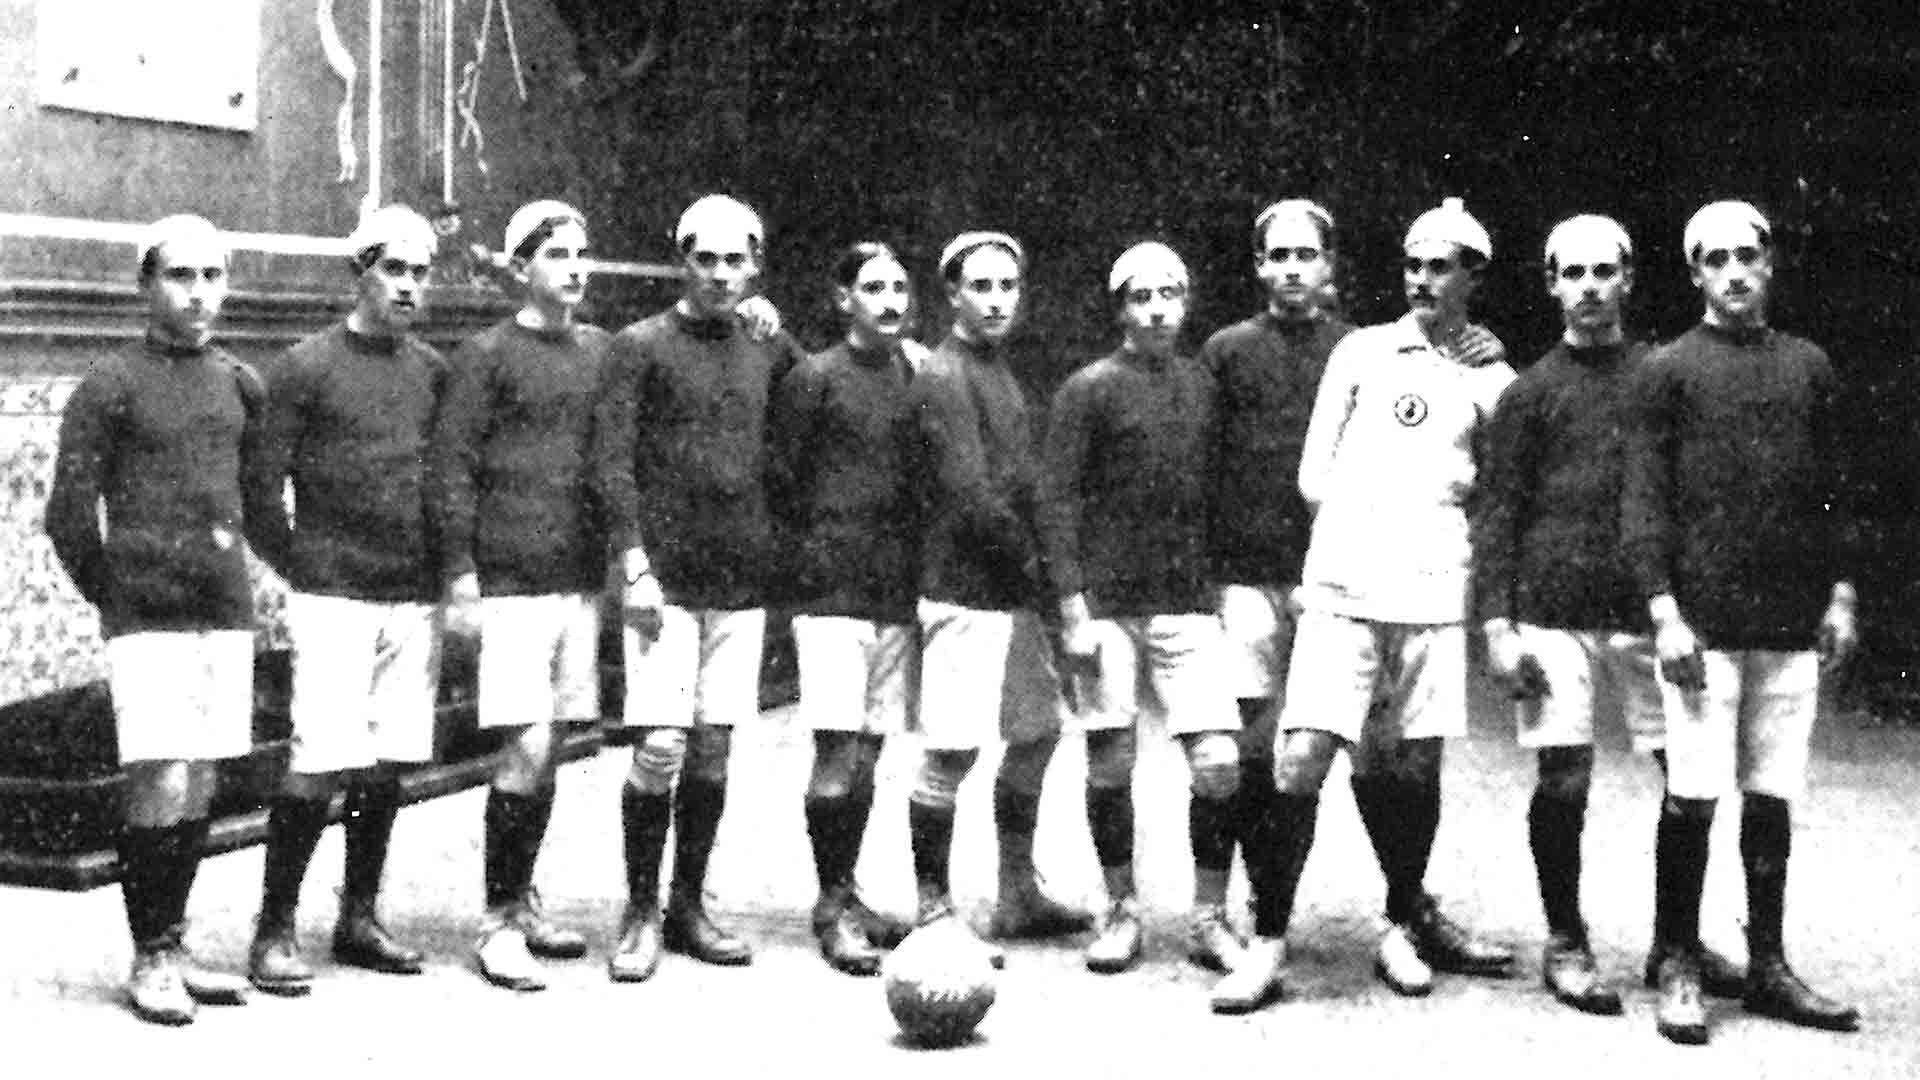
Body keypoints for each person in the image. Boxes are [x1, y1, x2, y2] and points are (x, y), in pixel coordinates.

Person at [1215, 198, 1518, 1012]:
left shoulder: (1494, 378)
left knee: (1409, 764)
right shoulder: (1362, 349)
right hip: (1345, 588)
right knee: (1299, 755)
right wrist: (1366, 531)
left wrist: (1434, 540)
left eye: (1441, 267)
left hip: (1432, 597)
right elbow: (1315, 475)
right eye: (1413, 265)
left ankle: (1400, 925)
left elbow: (1502, 495)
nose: (1422, 279)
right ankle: (1269, 944)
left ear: (1473, 277)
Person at [1623, 199, 1860, 1044]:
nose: (1732, 272)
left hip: (1788, 622)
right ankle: (1679, 960)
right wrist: (1664, 611)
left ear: (1769, 264)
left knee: (1771, 797)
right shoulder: (1667, 370)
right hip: (1702, 629)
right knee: (1692, 796)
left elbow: (1835, 491)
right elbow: (1644, 500)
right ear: (1694, 272)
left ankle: (1767, 967)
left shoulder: (1809, 366)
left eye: (1746, 256)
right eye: (1713, 258)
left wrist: (1839, 592)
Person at [45, 214, 261, 1025]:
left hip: (223, 611)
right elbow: (69, 518)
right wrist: (119, 600)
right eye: (180, 276)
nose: (198, 293)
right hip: (147, 619)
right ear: (146, 285)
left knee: (203, 775)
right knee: (161, 777)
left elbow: (252, 500)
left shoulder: (241, 382)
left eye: (212, 276)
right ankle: (149, 957)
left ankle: (175, 940)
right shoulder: (109, 384)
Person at [590, 193, 804, 983]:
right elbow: (610, 463)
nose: (720, 274)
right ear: (683, 261)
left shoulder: (766, 345)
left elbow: (819, 389)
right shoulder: (638, 347)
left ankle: (687, 904)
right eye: (705, 259)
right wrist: (634, 566)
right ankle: (640, 910)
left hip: (738, 581)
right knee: (660, 743)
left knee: (714, 744)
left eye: (735, 261)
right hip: (663, 585)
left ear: (755, 265)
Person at [244, 205, 447, 996]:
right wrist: (306, 568)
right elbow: (261, 490)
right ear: (358, 273)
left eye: (420, 273)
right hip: (334, 598)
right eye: (393, 270)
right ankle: (274, 930)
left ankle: (358, 916)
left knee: (388, 761)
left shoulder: (433, 370)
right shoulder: (303, 367)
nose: (407, 287)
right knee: (318, 760)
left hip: (411, 595)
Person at [1042, 241, 1241, 975]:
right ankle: (1121, 908)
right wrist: (1073, 612)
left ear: (1187, 301)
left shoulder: (1202, 384)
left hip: (1186, 606)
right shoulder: (1087, 388)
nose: (1158, 309)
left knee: (1219, 763)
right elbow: (1056, 501)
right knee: (1111, 761)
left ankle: (1210, 916)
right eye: (1141, 297)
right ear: (1120, 307)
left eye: (1171, 294)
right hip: (1108, 610)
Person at [428, 200, 610, 991]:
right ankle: (497, 921)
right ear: (520, 267)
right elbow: (452, 470)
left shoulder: (604, 352)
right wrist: (461, 577)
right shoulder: (485, 356)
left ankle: (524, 899)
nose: (574, 267)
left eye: (581, 254)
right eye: (557, 254)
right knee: (526, 745)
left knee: (555, 748)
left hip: (577, 582)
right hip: (507, 584)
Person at [906, 230, 1092, 963]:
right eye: (979, 287)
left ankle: (1017, 891)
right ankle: (932, 908)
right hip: (964, 593)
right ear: (952, 294)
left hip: (1011, 596)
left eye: (1006, 287)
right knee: (950, 755)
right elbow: (971, 499)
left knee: (1037, 735)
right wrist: (1044, 575)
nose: (995, 300)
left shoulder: (999, 372)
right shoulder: (947, 376)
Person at [1198, 199, 1352, 989]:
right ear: (1258, 266)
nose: (1292, 267)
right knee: (1245, 744)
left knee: (1310, 750)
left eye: (1307, 254)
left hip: (1331, 583)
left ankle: (1282, 904)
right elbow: (1200, 460)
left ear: (1329, 264)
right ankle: (1219, 908)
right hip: (1245, 577)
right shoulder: (1226, 351)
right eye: (1277, 255)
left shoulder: (1360, 352)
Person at [765, 241, 923, 976]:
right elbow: (784, 482)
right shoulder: (814, 379)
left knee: (871, 752)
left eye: (898, 287)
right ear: (843, 299)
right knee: (835, 751)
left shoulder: (917, 374)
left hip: (895, 595)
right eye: (873, 287)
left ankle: (850, 889)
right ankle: (830, 905)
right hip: (831, 595)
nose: (890, 300)